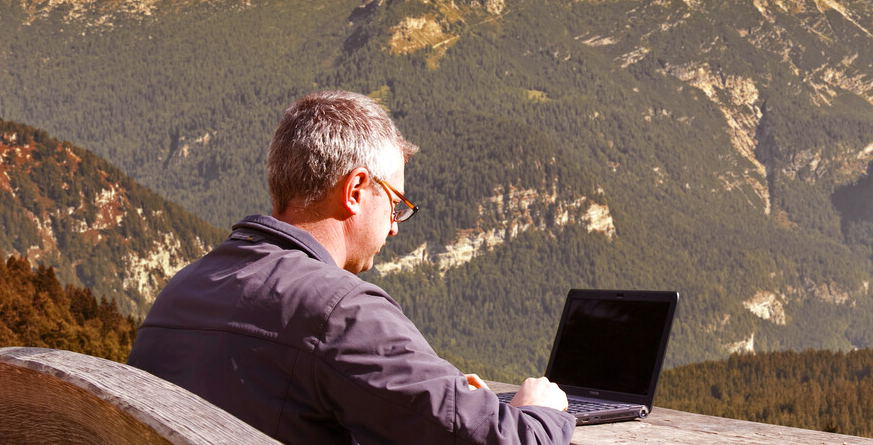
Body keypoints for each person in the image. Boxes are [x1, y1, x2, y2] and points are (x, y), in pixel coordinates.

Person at [128, 90, 574, 445]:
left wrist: (442, 390)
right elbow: (503, 441)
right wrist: (537, 411)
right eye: (396, 204)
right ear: (357, 190)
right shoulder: (338, 310)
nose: (396, 228)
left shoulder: (185, 286)